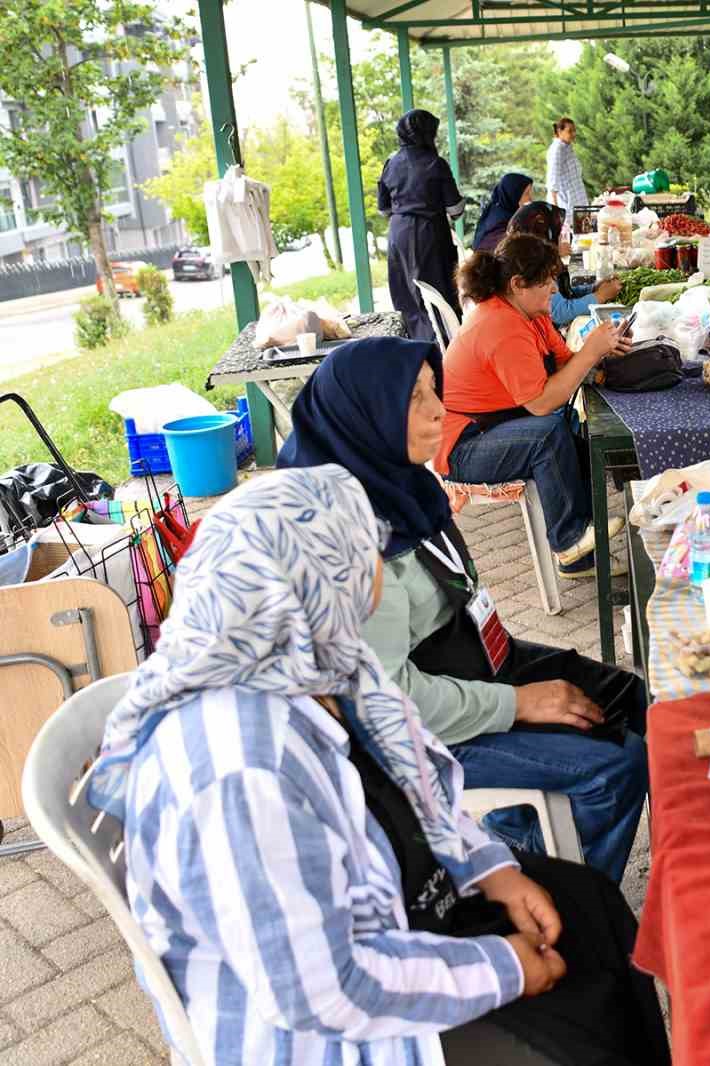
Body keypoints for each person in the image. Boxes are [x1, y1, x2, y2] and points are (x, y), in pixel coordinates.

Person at [83, 465, 672, 1066]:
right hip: (334, 1030)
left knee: (593, 909)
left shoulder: (329, 659)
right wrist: (503, 969)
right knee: (578, 1037)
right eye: (363, 557)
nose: (379, 574)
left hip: (403, 906)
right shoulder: (240, 769)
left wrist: (492, 868)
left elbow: (426, 791)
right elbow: (319, 992)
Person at [278, 336, 650, 883]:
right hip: (406, 732)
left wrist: (517, 690)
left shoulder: (393, 480)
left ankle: (527, 837)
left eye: (436, 389)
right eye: (413, 399)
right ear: (366, 415)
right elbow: (384, 700)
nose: (438, 410)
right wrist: (516, 704)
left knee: (631, 698)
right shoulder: (344, 542)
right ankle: (549, 900)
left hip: (470, 659)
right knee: (612, 768)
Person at [438, 235, 629, 577]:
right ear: (517, 284)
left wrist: (601, 351)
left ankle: (580, 553)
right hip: (463, 447)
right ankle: (569, 541)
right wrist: (589, 353)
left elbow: (564, 363)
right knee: (549, 433)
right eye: (546, 281)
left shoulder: (530, 313)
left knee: (575, 428)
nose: (554, 289)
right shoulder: (500, 325)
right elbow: (541, 403)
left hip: (494, 426)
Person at [378, 109, 466, 343]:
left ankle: (415, 351)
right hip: (429, 234)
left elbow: (384, 208)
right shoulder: (435, 164)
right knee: (438, 298)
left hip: (398, 236)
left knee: (406, 297)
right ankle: (444, 353)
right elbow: (455, 209)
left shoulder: (391, 163)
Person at [505, 201, 622, 329]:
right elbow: (560, 312)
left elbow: (564, 290)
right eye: (558, 235)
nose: (561, 240)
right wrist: (600, 296)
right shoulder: (531, 269)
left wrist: (593, 288)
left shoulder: (538, 259)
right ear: (544, 236)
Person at [474, 172, 537, 252]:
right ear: (514, 195)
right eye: (527, 194)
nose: (531, 199)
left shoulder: (505, 213)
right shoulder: (499, 224)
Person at [545, 118, 588, 228]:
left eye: (574, 130)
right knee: (573, 238)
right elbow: (552, 179)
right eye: (570, 131)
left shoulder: (567, 147)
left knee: (584, 233)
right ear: (560, 132)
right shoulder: (557, 149)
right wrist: (555, 210)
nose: (574, 134)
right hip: (567, 203)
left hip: (578, 200)